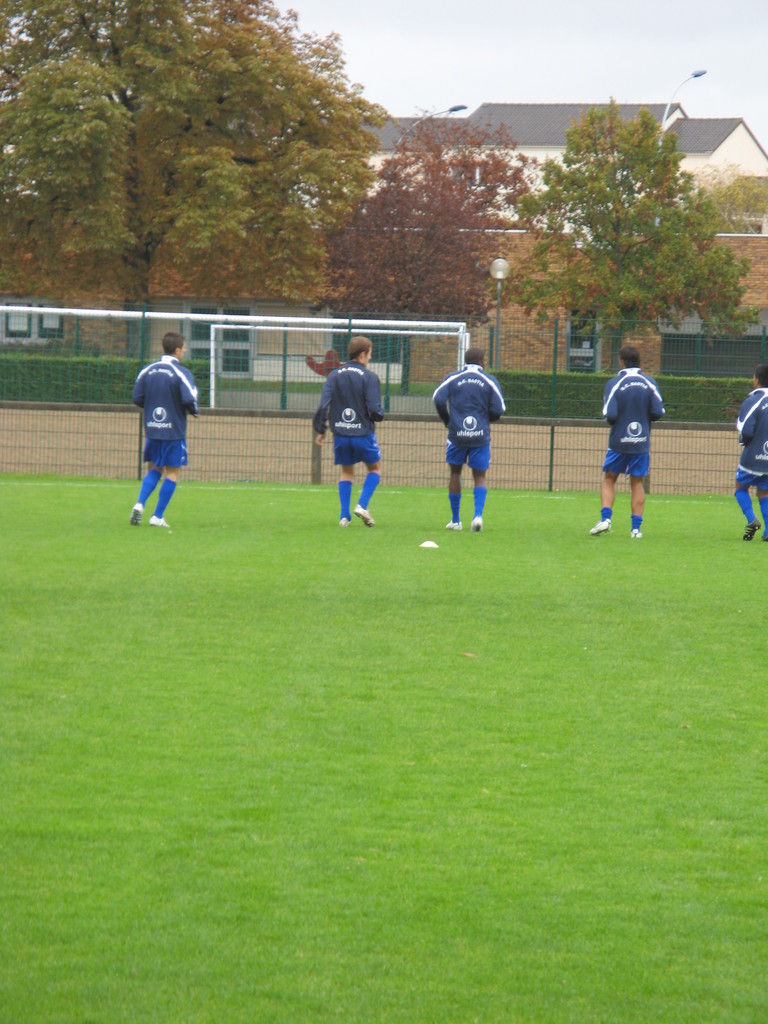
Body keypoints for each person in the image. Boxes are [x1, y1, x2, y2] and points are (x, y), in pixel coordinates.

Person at [590, 343, 665, 539]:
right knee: (637, 483)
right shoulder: (649, 382)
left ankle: (606, 519)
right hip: (641, 442)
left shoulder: (614, 383)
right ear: (639, 361)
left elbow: (610, 414)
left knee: (609, 479)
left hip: (618, 443)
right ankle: (635, 530)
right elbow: (658, 412)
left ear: (621, 361)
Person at [313, 336, 385, 526]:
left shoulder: (334, 375)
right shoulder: (369, 377)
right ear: (363, 354)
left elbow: (323, 405)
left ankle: (344, 517)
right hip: (363, 433)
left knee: (347, 472)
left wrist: (320, 429)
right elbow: (374, 407)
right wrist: (379, 415)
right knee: (375, 468)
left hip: (341, 434)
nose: (370, 358)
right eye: (370, 354)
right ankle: (362, 505)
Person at [129, 330, 199, 529]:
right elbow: (189, 399)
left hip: (152, 429)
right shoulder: (181, 373)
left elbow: (137, 398)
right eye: (184, 348)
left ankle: (139, 504)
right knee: (172, 473)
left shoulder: (147, 370)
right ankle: (157, 516)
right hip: (173, 431)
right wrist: (194, 411)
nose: (185, 351)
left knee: (154, 469)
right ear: (177, 350)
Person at [432, 345, 506, 532]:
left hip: (457, 434)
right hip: (480, 435)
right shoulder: (488, 380)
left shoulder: (453, 377)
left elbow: (438, 399)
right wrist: (486, 419)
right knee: (479, 476)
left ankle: (456, 520)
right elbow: (500, 409)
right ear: (482, 362)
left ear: (465, 361)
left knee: (455, 473)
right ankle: (477, 516)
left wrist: (447, 419)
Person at [733, 362, 768, 540]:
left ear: (756, 380)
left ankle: (752, 519)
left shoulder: (753, 400)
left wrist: (744, 442)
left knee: (740, 488)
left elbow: (745, 431)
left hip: (752, 458)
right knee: (765, 491)